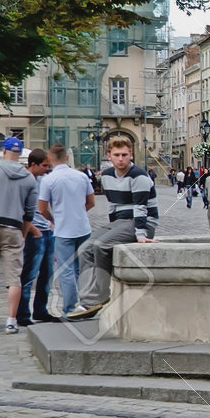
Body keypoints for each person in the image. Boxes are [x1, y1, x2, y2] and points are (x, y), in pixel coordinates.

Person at [66, 136, 157, 320]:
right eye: (116, 155)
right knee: (85, 248)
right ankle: (86, 299)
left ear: (131, 154)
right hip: (121, 222)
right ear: (109, 156)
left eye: (124, 155)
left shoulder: (139, 176)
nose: (121, 159)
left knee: (101, 245)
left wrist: (140, 234)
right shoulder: (107, 176)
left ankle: (99, 296)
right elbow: (113, 206)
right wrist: (112, 227)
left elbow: (141, 208)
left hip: (142, 222)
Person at [37, 143, 94, 318]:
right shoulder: (81, 176)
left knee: (66, 269)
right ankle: (86, 303)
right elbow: (91, 202)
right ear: (67, 157)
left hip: (63, 229)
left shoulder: (48, 180)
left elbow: (42, 208)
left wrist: (53, 218)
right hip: (82, 227)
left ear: (49, 158)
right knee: (83, 268)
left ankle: (70, 308)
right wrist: (79, 211)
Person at [0, 138, 38, 334]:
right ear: (20, 154)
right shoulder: (29, 178)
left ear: (3, 151)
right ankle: (11, 320)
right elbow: (30, 212)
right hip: (12, 227)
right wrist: (23, 234)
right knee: (14, 278)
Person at [16, 149, 55, 327]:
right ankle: (23, 314)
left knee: (47, 273)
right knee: (29, 273)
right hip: (34, 233)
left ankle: (41, 309)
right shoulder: (23, 181)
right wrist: (32, 229)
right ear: (33, 164)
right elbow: (18, 208)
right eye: (45, 166)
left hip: (47, 230)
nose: (47, 169)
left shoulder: (43, 180)